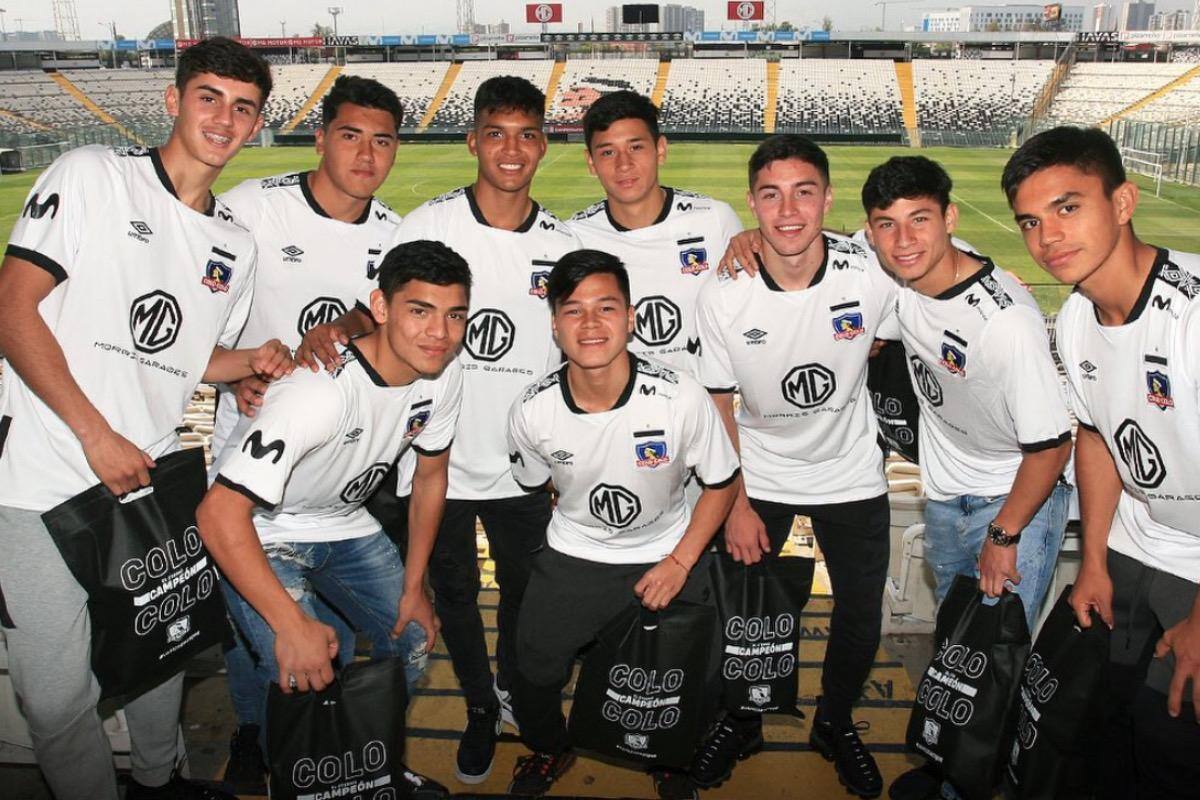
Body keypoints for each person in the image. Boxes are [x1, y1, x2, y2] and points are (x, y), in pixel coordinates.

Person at [0, 38, 285, 800]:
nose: (225, 118)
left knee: (159, 654)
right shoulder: (93, 176)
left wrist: (256, 360)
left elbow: (184, 358)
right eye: (209, 97)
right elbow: (12, 309)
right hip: (40, 478)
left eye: (243, 107)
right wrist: (96, 434)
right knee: (56, 698)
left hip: (149, 477)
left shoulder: (235, 245)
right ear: (174, 101)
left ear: (257, 124)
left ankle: (162, 784)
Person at [297, 75, 581, 785]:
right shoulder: (425, 224)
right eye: (495, 134)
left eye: (525, 135)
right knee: (453, 602)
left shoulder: (563, 244)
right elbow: (381, 311)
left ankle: (515, 691)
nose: (510, 151)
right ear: (472, 141)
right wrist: (338, 328)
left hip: (523, 471)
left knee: (522, 597)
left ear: (544, 143)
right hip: (434, 462)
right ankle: (482, 708)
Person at [197, 239, 470, 799]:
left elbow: (430, 478)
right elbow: (219, 514)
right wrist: (290, 626)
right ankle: (302, 780)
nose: (439, 333)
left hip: (341, 518)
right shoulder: (317, 392)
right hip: (263, 527)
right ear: (382, 306)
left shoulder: (443, 373)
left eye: (455, 315)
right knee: (305, 664)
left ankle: (374, 767)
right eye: (420, 311)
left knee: (414, 633)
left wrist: (415, 585)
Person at [208, 73, 405, 793]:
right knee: (263, 640)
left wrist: (352, 323)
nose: (364, 154)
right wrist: (231, 374)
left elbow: (391, 326)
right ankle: (257, 738)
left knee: (349, 639)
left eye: (381, 140)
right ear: (320, 138)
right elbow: (192, 317)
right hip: (249, 476)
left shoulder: (394, 238)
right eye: (349, 135)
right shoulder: (252, 209)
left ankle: (352, 752)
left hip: (343, 483)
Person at [859, 156, 1073, 800]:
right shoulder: (904, 277)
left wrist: (1004, 536)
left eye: (920, 220)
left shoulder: (1005, 325)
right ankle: (952, 759)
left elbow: (1052, 446)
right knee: (962, 648)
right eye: (886, 225)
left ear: (949, 219)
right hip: (947, 497)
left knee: (998, 663)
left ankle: (974, 786)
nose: (903, 241)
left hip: (1012, 507)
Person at [692, 135, 897, 799]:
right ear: (751, 204)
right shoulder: (723, 293)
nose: (788, 209)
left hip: (851, 473)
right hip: (762, 475)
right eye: (772, 194)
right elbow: (717, 402)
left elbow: (927, 298)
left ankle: (835, 723)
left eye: (804, 192)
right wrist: (738, 502)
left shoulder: (869, 272)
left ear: (827, 200)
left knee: (860, 615)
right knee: (745, 617)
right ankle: (743, 718)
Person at [1003, 126, 1200, 800]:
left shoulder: (1192, 314)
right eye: (1031, 221)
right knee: (1103, 728)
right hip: (1134, 553)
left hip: (1196, 571)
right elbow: (1095, 437)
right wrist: (1092, 560)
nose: (1047, 237)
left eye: (1067, 207)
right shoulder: (1077, 318)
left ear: (1122, 202)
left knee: (1172, 739)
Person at [505, 249, 740, 797]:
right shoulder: (531, 409)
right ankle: (550, 748)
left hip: (668, 551)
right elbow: (537, 485)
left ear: (632, 317)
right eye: (573, 310)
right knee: (534, 670)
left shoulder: (680, 396)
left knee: (696, 675)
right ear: (555, 323)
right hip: (576, 554)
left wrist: (679, 563)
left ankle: (670, 756)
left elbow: (722, 483)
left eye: (606, 307)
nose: (590, 324)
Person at [567, 90, 743, 377]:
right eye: (608, 152)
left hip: (706, 410)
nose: (624, 164)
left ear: (660, 149)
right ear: (590, 162)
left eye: (636, 147)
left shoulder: (715, 220)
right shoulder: (574, 239)